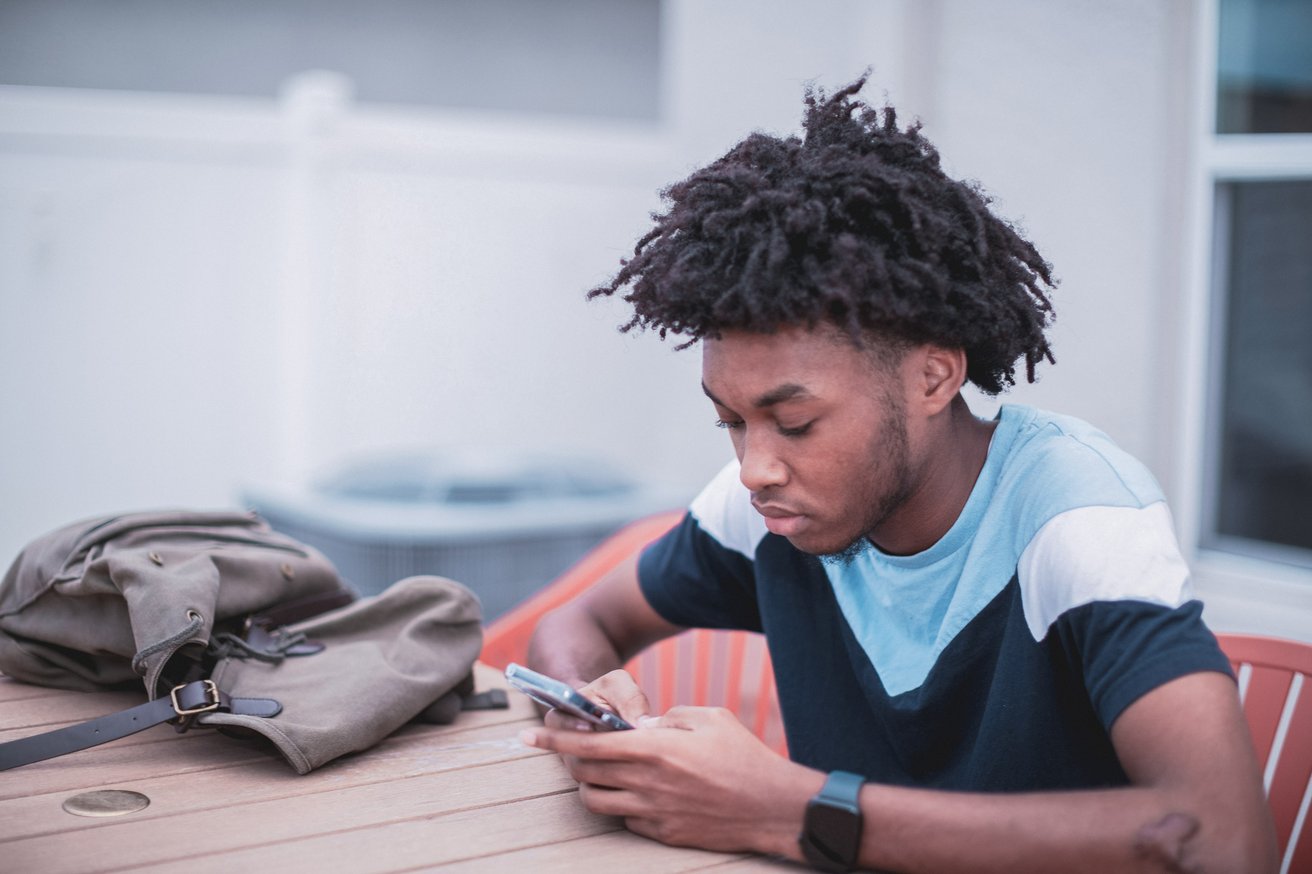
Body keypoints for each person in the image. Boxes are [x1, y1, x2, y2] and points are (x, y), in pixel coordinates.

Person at [521, 75, 1276, 873]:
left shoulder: (1074, 520)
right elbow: (576, 625)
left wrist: (791, 809)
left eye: (797, 421)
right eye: (731, 421)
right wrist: (591, 709)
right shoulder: (771, 509)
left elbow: (1222, 838)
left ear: (933, 378)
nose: (754, 467)